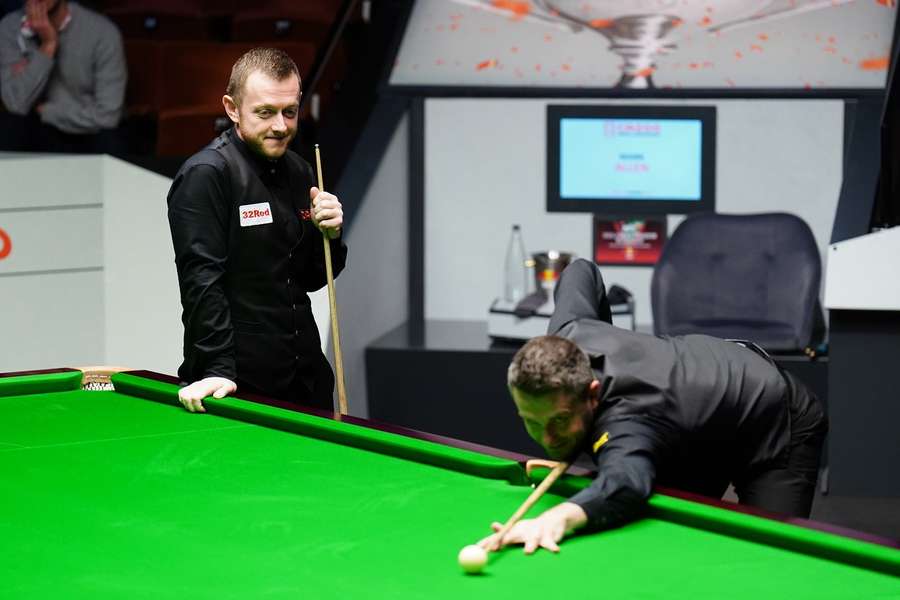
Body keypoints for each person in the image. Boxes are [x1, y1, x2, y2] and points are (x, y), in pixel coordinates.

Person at [482, 259, 827, 554]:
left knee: (766, 557)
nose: (547, 436)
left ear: (592, 393)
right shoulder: (568, 332)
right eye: (532, 421)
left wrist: (559, 516)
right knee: (675, 536)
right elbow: (579, 270)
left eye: (559, 420)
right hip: (694, 413)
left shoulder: (629, 417)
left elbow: (628, 482)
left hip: (775, 418)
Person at [167, 47, 347, 413]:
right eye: (265, 113)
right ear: (232, 108)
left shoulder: (300, 170)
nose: (280, 126)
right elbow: (202, 282)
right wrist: (218, 369)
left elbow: (311, 278)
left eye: (289, 112)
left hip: (306, 379)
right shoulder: (208, 174)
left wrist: (331, 235)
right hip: (237, 383)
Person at [0, 0, 126, 153]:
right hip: (30, 132)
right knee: (10, 128)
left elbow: (108, 116)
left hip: (87, 134)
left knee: (110, 141)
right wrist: (48, 45)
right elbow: (16, 104)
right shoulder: (8, 28)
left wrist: (47, 111)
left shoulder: (102, 32)